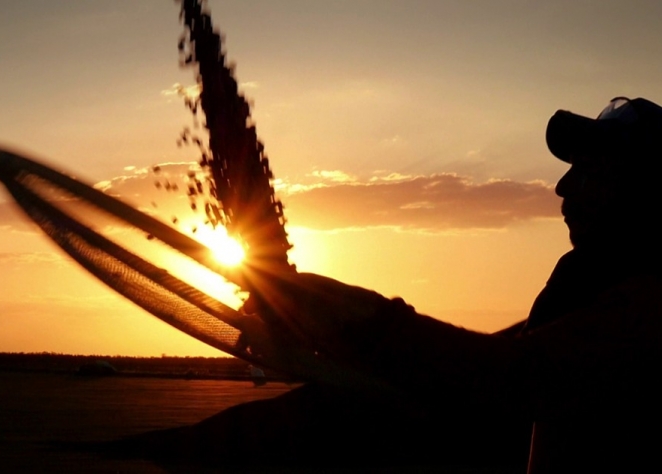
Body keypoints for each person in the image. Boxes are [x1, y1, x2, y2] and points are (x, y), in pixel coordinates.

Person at [122, 97, 662, 473]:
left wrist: (367, 320)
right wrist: (342, 335)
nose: (563, 187)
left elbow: (514, 381)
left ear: (650, 192)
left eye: (592, 171)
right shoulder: (585, 284)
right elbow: (486, 361)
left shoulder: (648, 297)